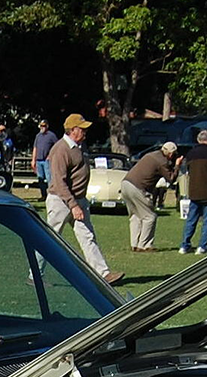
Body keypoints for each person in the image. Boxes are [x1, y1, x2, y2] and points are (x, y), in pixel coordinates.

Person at [46, 113, 123, 285]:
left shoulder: (79, 146)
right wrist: (73, 205)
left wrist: (79, 202)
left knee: (88, 237)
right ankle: (34, 274)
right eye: (82, 129)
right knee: (49, 238)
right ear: (73, 130)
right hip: (61, 201)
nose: (85, 132)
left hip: (78, 200)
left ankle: (103, 274)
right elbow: (59, 182)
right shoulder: (61, 149)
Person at [122, 142, 179, 251]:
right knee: (150, 217)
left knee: (136, 216)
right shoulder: (162, 162)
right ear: (171, 154)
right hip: (138, 187)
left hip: (126, 183)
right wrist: (177, 165)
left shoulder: (151, 155)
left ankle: (134, 244)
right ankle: (144, 245)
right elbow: (171, 179)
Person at [178, 130, 207, 253]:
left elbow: (186, 169)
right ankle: (202, 246)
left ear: (198, 140)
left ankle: (185, 244)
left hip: (194, 191)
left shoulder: (191, 153)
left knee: (191, 219)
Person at [32, 120, 58, 188]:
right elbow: (35, 148)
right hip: (38, 161)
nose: (42, 127)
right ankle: (43, 195)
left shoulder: (51, 135)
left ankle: (50, 194)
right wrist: (33, 160)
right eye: (41, 126)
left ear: (47, 126)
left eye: (43, 126)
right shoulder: (38, 136)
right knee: (40, 179)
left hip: (47, 161)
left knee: (49, 178)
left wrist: (50, 155)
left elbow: (57, 146)